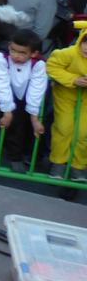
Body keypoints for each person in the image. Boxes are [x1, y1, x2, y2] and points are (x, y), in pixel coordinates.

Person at [0, 29, 48, 172]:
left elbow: (37, 88)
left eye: (22, 53)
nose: (16, 55)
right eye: (13, 50)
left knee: (19, 128)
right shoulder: (1, 58)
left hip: (23, 98)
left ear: (33, 53)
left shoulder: (38, 64)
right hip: (0, 96)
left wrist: (34, 116)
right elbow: (1, 82)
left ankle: (14, 157)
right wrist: (7, 109)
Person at [45, 26, 87, 182]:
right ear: (81, 40)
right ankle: (58, 164)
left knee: (84, 132)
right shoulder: (67, 53)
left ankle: (79, 167)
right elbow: (51, 66)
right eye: (85, 42)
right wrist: (73, 79)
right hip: (66, 96)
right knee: (63, 128)